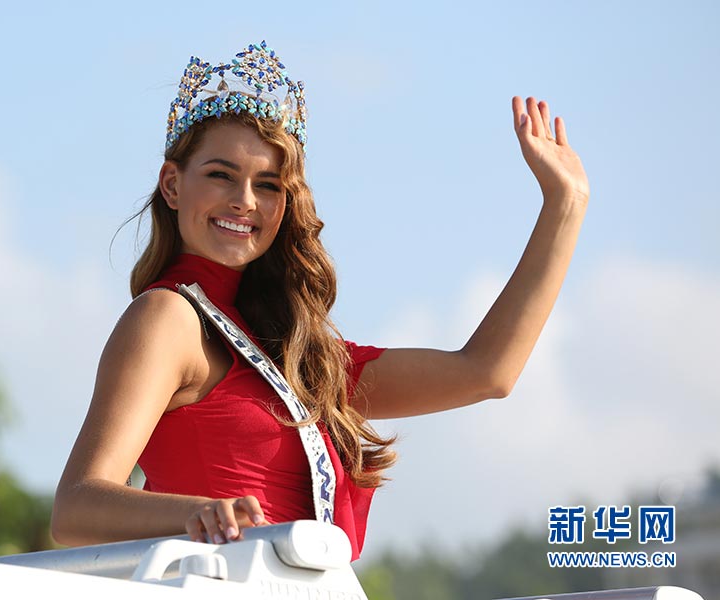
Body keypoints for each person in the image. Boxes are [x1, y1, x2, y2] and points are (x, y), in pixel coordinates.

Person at [51, 41, 589, 561]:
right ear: (172, 185)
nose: (244, 201)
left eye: (267, 185)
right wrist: (201, 513)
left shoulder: (302, 358)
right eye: (221, 175)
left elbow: (485, 372)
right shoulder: (167, 317)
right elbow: (75, 509)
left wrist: (564, 206)